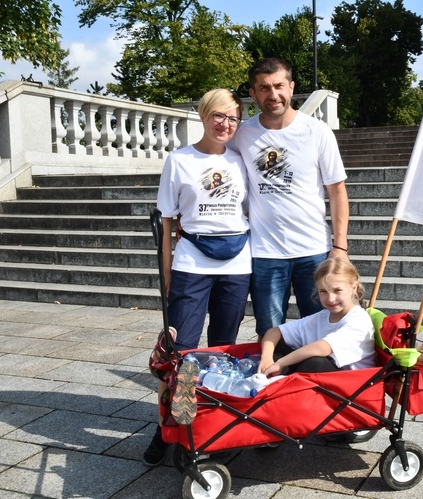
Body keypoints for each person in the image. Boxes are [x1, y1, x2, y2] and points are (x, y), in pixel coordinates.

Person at [144, 88, 251, 467]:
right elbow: (167, 222)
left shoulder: (241, 160)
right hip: (191, 261)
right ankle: (169, 426)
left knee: (224, 349)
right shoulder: (179, 160)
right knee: (182, 353)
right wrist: (167, 273)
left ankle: (213, 426)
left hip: (237, 264)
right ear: (204, 116)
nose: (226, 124)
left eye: (233, 118)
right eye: (219, 116)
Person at [232, 57, 350, 339]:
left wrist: (340, 247)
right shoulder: (243, 134)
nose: (273, 95)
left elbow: (337, 190)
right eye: (263, 88)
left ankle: (313, 381)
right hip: (265, 253)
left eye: (279, 86)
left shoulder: (316, 131)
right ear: (253, 93)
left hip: (313, 249)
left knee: (322, 328)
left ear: (291, 86)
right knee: (269, 332)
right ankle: (273, 381)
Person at [258, 257, 375, 377]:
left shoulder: (359, 320)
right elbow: (274, 331)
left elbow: (323, 348)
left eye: (337, 290)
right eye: (323, 291)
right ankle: (269, 380)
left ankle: (283, 383)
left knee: (314, 362)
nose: (330, 298)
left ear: (353, 288)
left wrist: (280, 363)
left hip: (353, 384)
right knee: (275, 348)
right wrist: (266, 358)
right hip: (327, 377)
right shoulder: (323, 316)